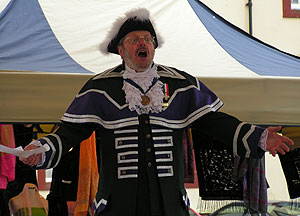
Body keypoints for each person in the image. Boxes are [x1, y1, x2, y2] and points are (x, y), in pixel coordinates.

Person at [20, 8, 294, 216]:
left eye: (147, 39)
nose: (143, 43)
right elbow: (69, 132)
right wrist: (42, 149)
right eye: (134, 39)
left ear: (153, 46)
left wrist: (258, 137)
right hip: (118, 203)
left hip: (169, 203)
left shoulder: (180, 84)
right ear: (120, 49)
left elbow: (216, 122)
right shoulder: (98, 89)